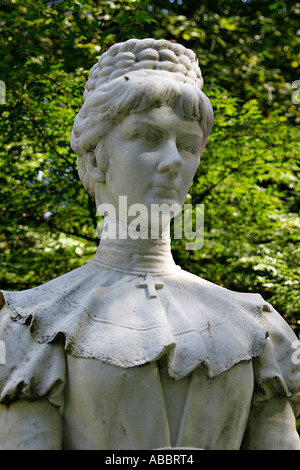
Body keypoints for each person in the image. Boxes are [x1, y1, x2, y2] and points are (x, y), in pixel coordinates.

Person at [0, 38, 299, 450]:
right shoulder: (34, 324)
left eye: (188, 145)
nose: (173, 161)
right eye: (147, 136)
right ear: (93, 159)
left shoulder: (256, 328)